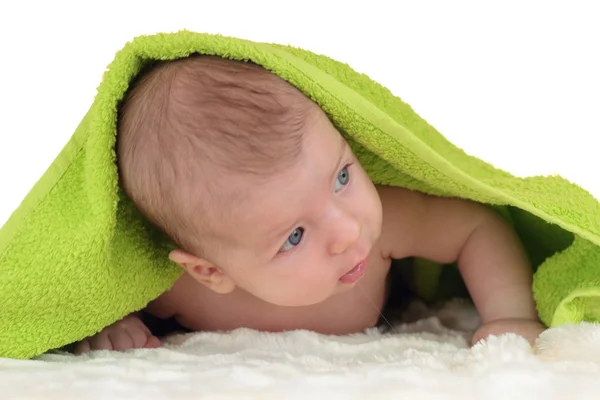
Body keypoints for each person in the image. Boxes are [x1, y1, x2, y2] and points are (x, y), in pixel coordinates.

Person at [74, 55, 545, 353]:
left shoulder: (387, 223)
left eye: (341, 176)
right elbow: (93, 292)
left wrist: (509, 314)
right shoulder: (175, 289)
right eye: (294, 236)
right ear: (210, 272)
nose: (348, 231)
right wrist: (113, 324)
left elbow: (475, 227)